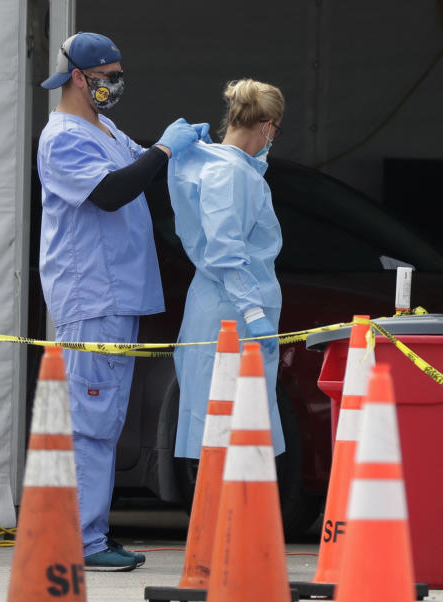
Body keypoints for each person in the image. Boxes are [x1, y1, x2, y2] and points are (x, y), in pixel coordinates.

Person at [37, 32, 206, 571]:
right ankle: (83, 541)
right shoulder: (63, 138)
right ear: (78, 78)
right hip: (91, 294)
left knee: (104, 418)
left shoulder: (103, 127)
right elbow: (112, 191)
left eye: (118, 75)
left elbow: (144, 171)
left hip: (116, 295)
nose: (115, 85)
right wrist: (162, 148)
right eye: (107, 77)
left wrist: (196, 152)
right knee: (90, 420)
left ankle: (90, 534)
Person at [169, 78, 286, 464]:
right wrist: (253, 312)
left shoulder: (217, 167)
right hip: (232, 315)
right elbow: (224, 250)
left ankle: (232, 520)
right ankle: (228, 522)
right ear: (268, 126)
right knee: (228, 431)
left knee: (232, 428)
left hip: (225, 309)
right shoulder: (230, 174)